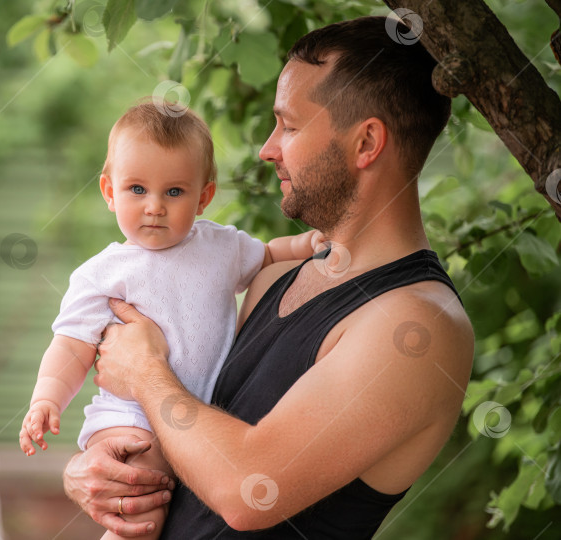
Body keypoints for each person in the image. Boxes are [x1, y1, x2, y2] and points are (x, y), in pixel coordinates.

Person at [63, 15, 475, 538]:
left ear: (367, 143)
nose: (267, 148)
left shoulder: (418, 326)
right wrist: (97, 468)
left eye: (290, 125)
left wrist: (144, 370)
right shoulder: (274, 276)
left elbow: (249, 490)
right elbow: (189, 434)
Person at [19, 101, 321, 539]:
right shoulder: (103, 273)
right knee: (141, 515)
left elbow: (271, 254)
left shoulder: (220, 247)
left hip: (195, 415)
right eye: (137, 189)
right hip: (129, 416)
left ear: (204, 196)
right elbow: (71, 345)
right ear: (109, 191)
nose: (154, 207)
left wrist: (312, 243)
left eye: (174, 192)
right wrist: (46, 399)